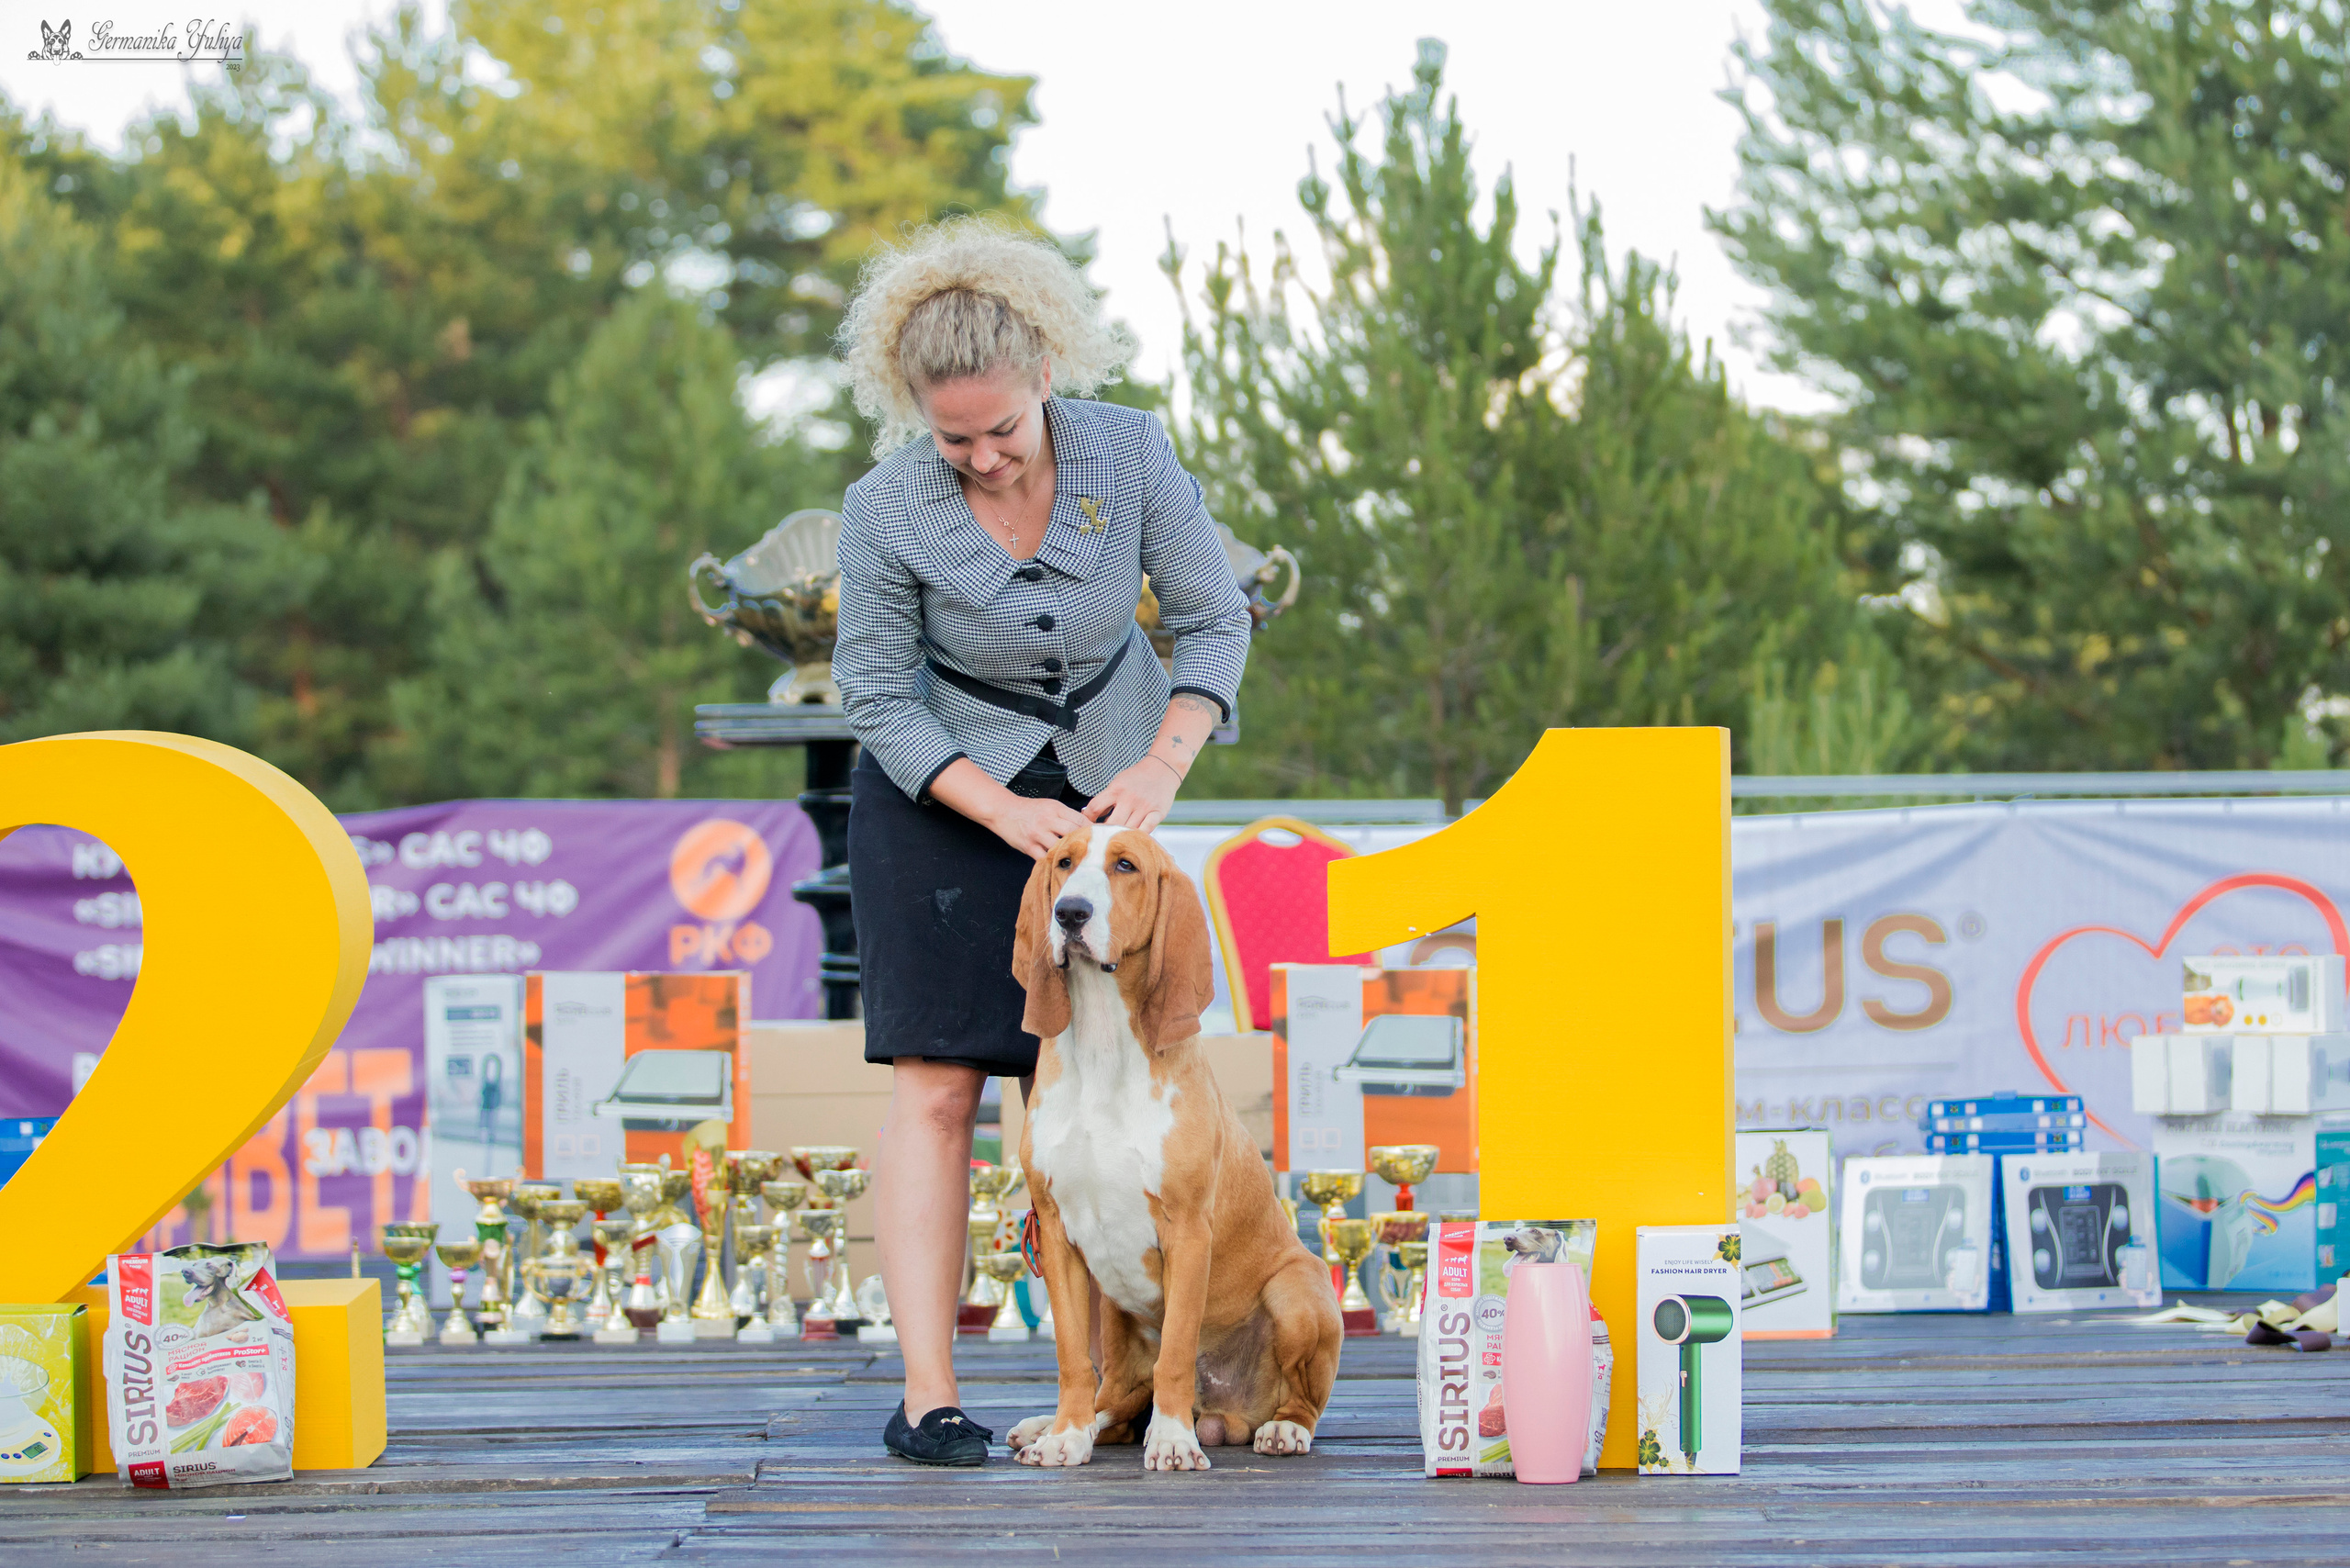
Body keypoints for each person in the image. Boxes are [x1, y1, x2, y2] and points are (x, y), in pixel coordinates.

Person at [832, 218, 1253, 1466]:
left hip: (1108, 798)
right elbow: (875, 691)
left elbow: (1213, 620)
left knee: (1082, 1091)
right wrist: (1001, 807)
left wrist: (1162, 765)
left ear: (1049, 374)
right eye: (951, 438)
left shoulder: (1131, 452)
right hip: (940, 800)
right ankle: (929, 1397)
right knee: (939, 1087)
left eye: (1002, 431)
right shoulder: (882, 505)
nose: (982, 458)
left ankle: (1101, 1391)